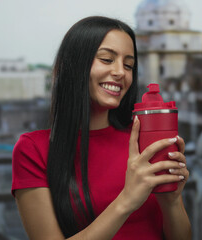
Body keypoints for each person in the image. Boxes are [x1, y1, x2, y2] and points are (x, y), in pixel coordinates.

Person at [11, 16, 191, 240]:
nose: (120, 72)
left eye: (128, 65)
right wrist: (126, 200)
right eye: (107, 59)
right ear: (72, 65)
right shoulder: (33, 149)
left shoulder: (142, 144)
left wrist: (172, 201)